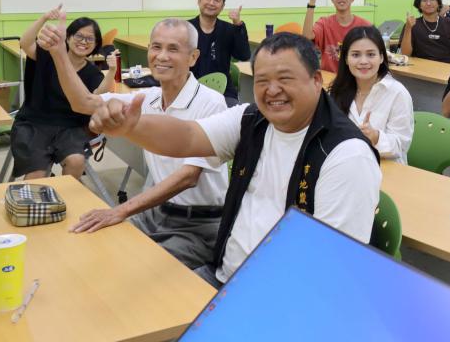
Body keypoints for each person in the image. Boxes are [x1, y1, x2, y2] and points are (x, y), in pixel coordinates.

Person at [87, 32, 381, 288]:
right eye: (262, 80)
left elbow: (332, 270)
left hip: (277, 298)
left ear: (316, 80)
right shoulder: (252, 119)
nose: (272, 90)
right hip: (225, 276)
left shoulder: (346, 155)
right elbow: (188, 136)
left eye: (285, 79)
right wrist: (132, 128)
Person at [39, 18, 229, 269]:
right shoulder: (147, 98)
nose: (162, 56)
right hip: (155, 211)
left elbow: (188, 177)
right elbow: (83, 102)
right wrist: (58, 54)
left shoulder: (211, 103)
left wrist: (120, 210)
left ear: (193, 57)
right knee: (101, 250)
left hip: (198, 224)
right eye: (156, 47)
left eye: (173, 49)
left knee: (138, 267)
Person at [10, 5, 116, 181]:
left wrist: (111, 71)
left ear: (96, 44)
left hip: (70, 128)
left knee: (76, 161)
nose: (84, 42)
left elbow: (97, 97)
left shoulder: (92, 73)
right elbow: (25, 43)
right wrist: (44, 18)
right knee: (36, 174)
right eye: (79, 36)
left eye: (90, 39)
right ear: (68, 37)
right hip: (34, 124)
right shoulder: (48, 55)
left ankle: (64, 195)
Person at [329, 26, 414, 164]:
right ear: (346, 59)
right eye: (355, 55)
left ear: (381, 57)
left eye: (371, 54)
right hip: (345, 166)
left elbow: (401, 146)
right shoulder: (337, 90)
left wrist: (376, 137)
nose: (363, 61)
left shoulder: (398, 93)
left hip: (384, 168)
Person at [189, 0, 250, 106]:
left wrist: (238, 25)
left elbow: (244, 55)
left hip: (223, 91)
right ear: (199, 0)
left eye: (217, 0)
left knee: (234, 114)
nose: (211, 3)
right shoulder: (186, 29)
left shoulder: (229, 29)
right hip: (190, 90)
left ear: (222, 6)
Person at [302, 0, 373, 73]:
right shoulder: (324, 23)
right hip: (329, 78)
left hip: (355, 78)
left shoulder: (365, 26)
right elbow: (306, 37)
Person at [399, 0, 450, 64]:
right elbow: (406, 54)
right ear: (419, 5)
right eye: (424, 0)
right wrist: (408, 28)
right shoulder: (412, 24)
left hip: (445, 68)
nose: (428, 3)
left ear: (438, 2)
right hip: (418, 68)